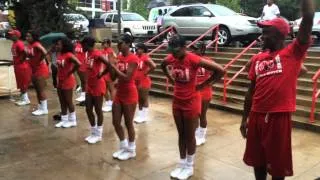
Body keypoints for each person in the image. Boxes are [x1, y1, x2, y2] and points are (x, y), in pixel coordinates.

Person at [241, 0, 314, 179]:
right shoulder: (257, 59)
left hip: (277, 117)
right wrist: (245, 119)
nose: (262, 36)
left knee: (277, 167)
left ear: (280, 35)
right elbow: (250, 92)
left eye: (267, 33)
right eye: (262, 32)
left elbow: (308, 18)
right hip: (256, 115)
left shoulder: (292, 53)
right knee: (257, 163)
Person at [161, 35, 224, 180]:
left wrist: (204, 85)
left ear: (184, 47)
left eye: (176, 51)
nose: (173, 54)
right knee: (181, 134)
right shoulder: (172, 58)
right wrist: (171, 79)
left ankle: (189, 166)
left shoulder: (193, 59)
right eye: (172, 51)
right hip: (177, 101)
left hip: (191, 101)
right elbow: (162, 65)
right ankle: (182, 163)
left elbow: (220, 70)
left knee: (189, 135)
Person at [109, 34, 139, 161]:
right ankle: (123, 145)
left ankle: (131, 150)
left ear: (127, 44)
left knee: (128, 123)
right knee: (115, 121)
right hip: (119, 92)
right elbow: (112, 77)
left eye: (121, 43)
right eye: (117, 43)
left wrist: (114, 66)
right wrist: (111, 65)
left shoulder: (133, 59)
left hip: (130, 93)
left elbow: (127, 78)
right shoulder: (119, 57)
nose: (118, 45)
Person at [81, 36, 110, 144]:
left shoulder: (97, 54)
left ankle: (99, 134)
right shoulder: (87, 54)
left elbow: (109, 65)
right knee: (88, 109)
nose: (81, 47)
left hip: (98, 84)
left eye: (83, 45)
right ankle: (93, 132)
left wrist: (101, 74)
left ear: (87, 45)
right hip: (90, 85)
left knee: (98, 110)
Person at [190, 42, 214, 146]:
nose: (193, 51)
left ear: (202, 50)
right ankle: (195, 135)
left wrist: (208, 83)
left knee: (202, 115)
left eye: (196, 49)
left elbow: (218, 72)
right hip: (193, 91)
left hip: (204, 91)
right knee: (194, 115)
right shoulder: (190, 60)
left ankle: (201, 136)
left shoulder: (208, 61)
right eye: (193, 49)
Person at [54, 38, 81, 128]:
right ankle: (64, 119)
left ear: (64, 46)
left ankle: (73, 120)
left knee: (68, 101)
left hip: (68, 81)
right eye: (56, 44)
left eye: (58, 44)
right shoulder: (59, 54)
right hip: (60, 80)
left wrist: (70, 72)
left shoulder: (69, 55)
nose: (57, 46)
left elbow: (78, 64)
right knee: (62, 101)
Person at [25, 30, 50, 116]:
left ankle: (44, 109)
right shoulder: (30, 45)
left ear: (33, 37)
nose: (27, 38)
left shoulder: (36, 44)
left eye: (29, 36)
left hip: (41, 69)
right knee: (37, 89)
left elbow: (45, 52)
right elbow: (30, 55)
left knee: (40, 90)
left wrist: (40, 59)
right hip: (34, 69)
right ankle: (40, 107)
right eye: (26, 36)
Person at [134, 43, 156, 123]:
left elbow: (154, 66)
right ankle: (140, 115)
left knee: (144, 98)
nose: (136, 50)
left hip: (144, 81)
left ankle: (144, 116)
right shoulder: (136, 57)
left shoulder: (145, 57)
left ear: (143, 49)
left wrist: (146, 73)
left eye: (138, 49)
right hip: (136, 81)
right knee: (139, 99)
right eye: (136, 49)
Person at [8, 30, 31, 106]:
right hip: (17, 66)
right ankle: (23, 98)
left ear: (17, 36)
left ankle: (26, 100)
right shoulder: (14, 43)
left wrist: (22, 59)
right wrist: (14, 61)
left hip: (22, 66)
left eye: (12, 35)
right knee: (20, 82)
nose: (10, 36)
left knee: (23, 82)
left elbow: (25, 52)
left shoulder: (19, 43)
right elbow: (16, 55)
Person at [101, 39, 117, 112]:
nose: (103, 44)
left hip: (109, 71)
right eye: (103, 43)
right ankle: (108, 102)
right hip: (104, 71)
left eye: (104, 43)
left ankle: (111, 104)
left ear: (108, 44)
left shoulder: (110, 51)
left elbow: (113, 62)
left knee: (111, 88)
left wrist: (112, 72)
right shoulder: (103, 51)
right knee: (104, 88)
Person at [74, 38, 87, 104]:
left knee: (85, 81)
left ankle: (85, 96)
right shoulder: (77, 45)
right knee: (82, 81)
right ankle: (83, 95)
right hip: (78, 65)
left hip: (83, 65)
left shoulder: (85, 47)